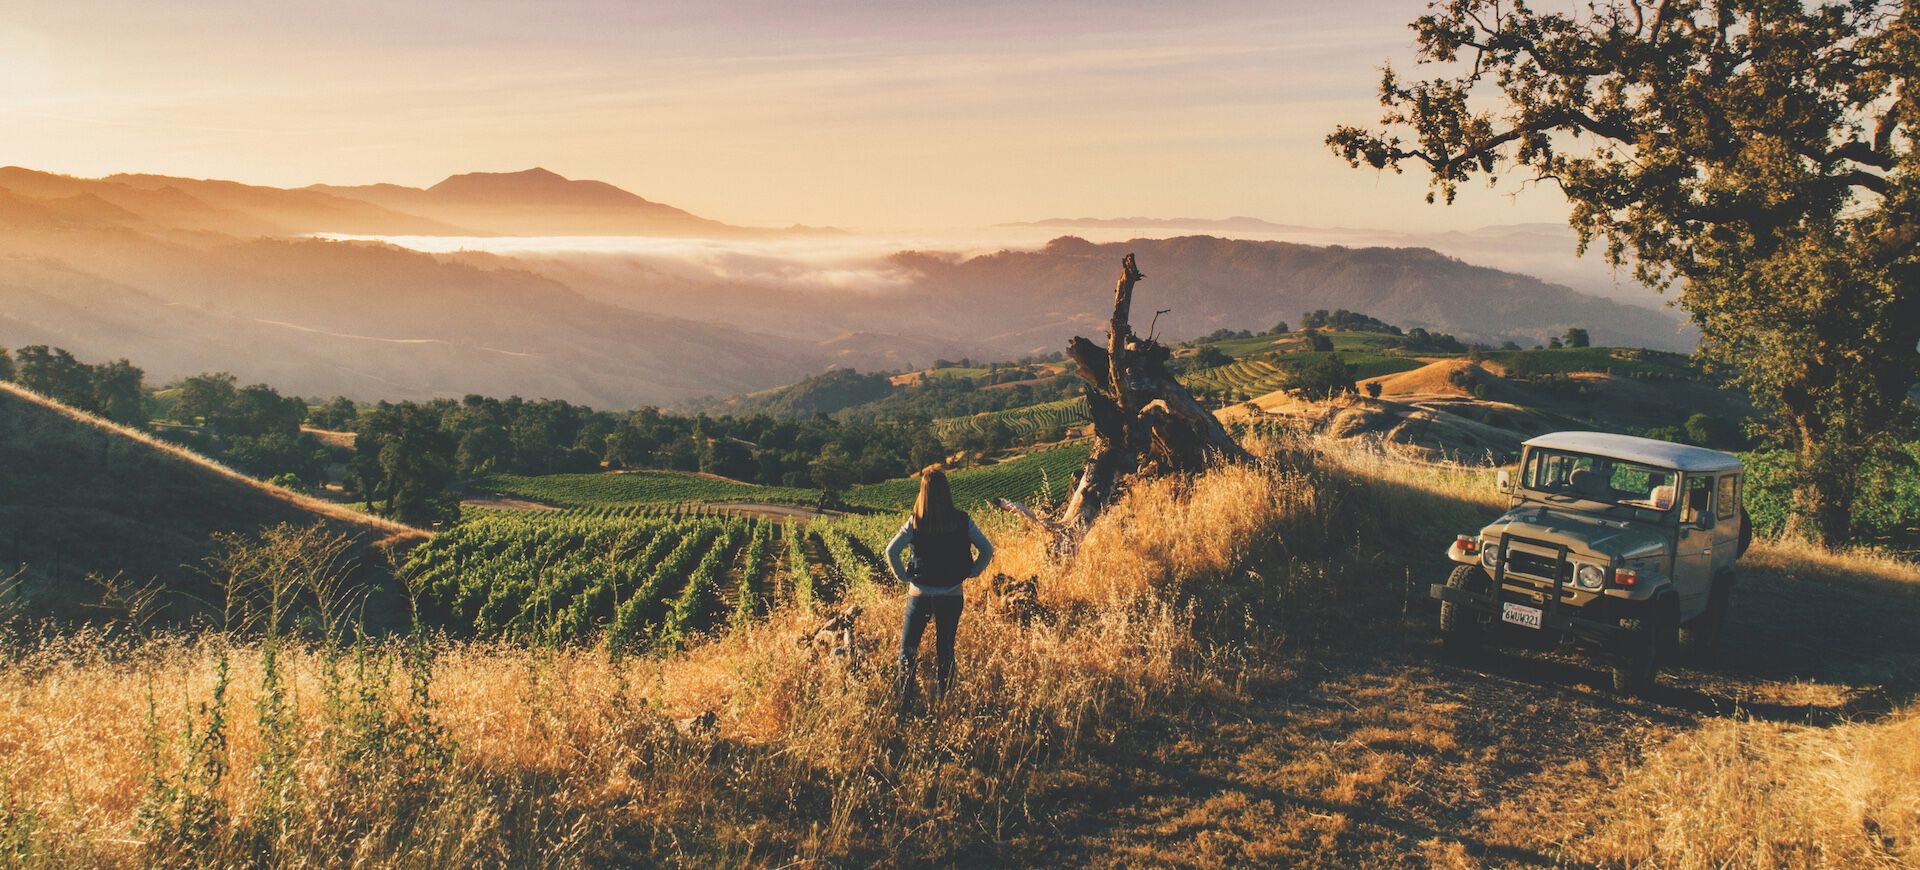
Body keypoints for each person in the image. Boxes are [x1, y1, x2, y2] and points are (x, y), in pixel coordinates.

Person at [885, 466, 993, 710]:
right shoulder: (962, 520)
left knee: (908, 651)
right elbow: (987, 550)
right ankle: (943, 702)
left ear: (923, 492)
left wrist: (903, 576)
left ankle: (904, 703)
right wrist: (973, 572)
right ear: (946, 492)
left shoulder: (915, 521)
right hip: (951, 595)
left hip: (919, 594)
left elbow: (891, 551)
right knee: (945, 649)